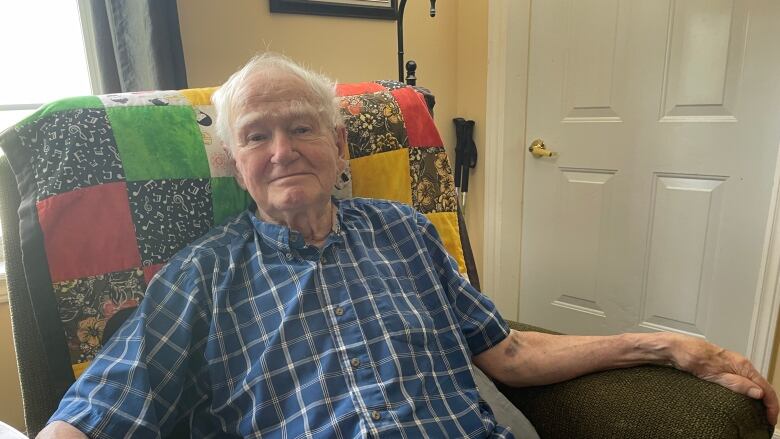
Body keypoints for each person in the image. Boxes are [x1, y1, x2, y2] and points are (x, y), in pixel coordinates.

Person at [39, 53, 778, 438]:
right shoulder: (200, 277)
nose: (282, 149)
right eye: (256, 136)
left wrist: (661, 346)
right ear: (232, 162)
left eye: (301, 126)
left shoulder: (405, 230)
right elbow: (100, 408)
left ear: (338, 143)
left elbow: (509, 355)